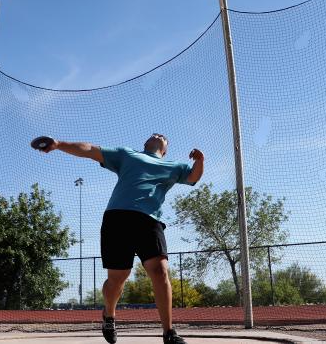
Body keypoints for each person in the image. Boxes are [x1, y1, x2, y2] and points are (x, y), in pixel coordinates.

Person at [38, 133, 203, 344]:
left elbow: (193, 177)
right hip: (117, 218)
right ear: (145, 143)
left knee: (160, 271)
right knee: (117, 279)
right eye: (154, 134)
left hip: (149, 221)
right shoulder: (127, 155)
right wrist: (58, 144)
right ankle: (109, 314)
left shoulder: (174, 167)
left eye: (162, 136)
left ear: (165, 150)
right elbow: (90, 150)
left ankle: (169, 332)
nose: (157, 135)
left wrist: (200, 160)